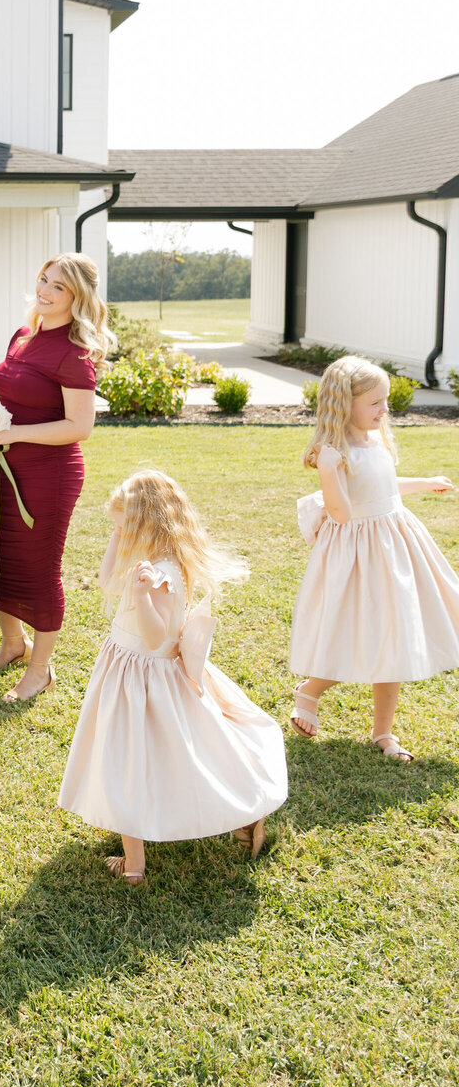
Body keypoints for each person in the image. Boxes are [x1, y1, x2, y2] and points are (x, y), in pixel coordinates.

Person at [59, 470, 287, 884]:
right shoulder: (147, 563)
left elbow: (153, 636)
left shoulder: (162, 574)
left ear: (148, 524)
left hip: (143, 678)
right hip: (128, 670)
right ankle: (241, 818)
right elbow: (108, 581)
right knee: (161, 758)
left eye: (126, 526)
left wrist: (144, 593)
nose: (121, 534)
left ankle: (135, 866)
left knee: (127, 760)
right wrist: (118, 533)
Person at [290, 355, 459, 760]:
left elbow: (384, 486)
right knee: (353, 633)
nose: (385, 410)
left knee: (395, 636)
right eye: (376, 403)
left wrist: (426, 482)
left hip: (396, 544)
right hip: (359, 556)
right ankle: (309, 691)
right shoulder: (334, 453)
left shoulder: (374, 440)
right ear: (344, 404)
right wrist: (328, 472)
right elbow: (343, 513)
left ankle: (383, 733)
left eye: (385, 402)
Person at [0, 253, 110, 704]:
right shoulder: (23, 335)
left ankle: (40, 669)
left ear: (77, 297)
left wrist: (14, 433)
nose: (45, 290)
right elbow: (8, 396)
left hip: (49, 473)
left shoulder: (74, 352)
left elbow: (80, 427)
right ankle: (13, 644)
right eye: (44, 280)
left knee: (38, 569)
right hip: (7, 465)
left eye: (58, 286)